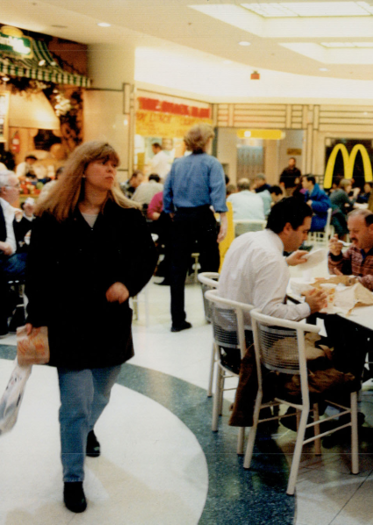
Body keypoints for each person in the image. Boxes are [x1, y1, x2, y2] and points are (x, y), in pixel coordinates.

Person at [24, 141, 157, 513]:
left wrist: (127, 284)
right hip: (68, 322)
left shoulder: (127, 214)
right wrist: (36, 314)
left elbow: (146, 256)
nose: (111, 170)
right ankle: (73, 478)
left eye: (114, 164)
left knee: (100, 394)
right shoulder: (53, 215)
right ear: (83, 169)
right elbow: (37, 269)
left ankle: (86, 430)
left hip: (110, 322)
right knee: (75, 405)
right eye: (102, 163)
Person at [219, 196, 327, 321]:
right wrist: (308, 307)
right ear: (287, 228)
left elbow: (254, 271)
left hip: (226, 324)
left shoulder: (245, 238)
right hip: (248, 333)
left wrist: (285, 262)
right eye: (304, 231)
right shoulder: (272, 258)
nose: (306, 238)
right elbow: (269, 314)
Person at [163, 123, 227, 332]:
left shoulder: (177, 164)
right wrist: (223, 220)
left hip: (181, 218)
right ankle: (212, 314)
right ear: (207, 140)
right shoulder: (212, 163)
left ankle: (177, 319)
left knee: (177, 268)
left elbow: (167, 192)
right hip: (204, 217)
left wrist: (171, 210)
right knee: (210, 265)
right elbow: (217, 192)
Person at [0, 172, 32, 336]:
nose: (20, 189)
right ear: (4, 189)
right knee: (41, 264)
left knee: (39, 260)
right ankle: (24, 317)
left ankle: (19, 317)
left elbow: (19, 236)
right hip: (4, 260)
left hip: (12, 257)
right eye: (17, 186)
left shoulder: (9, 210)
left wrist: (27, 215)